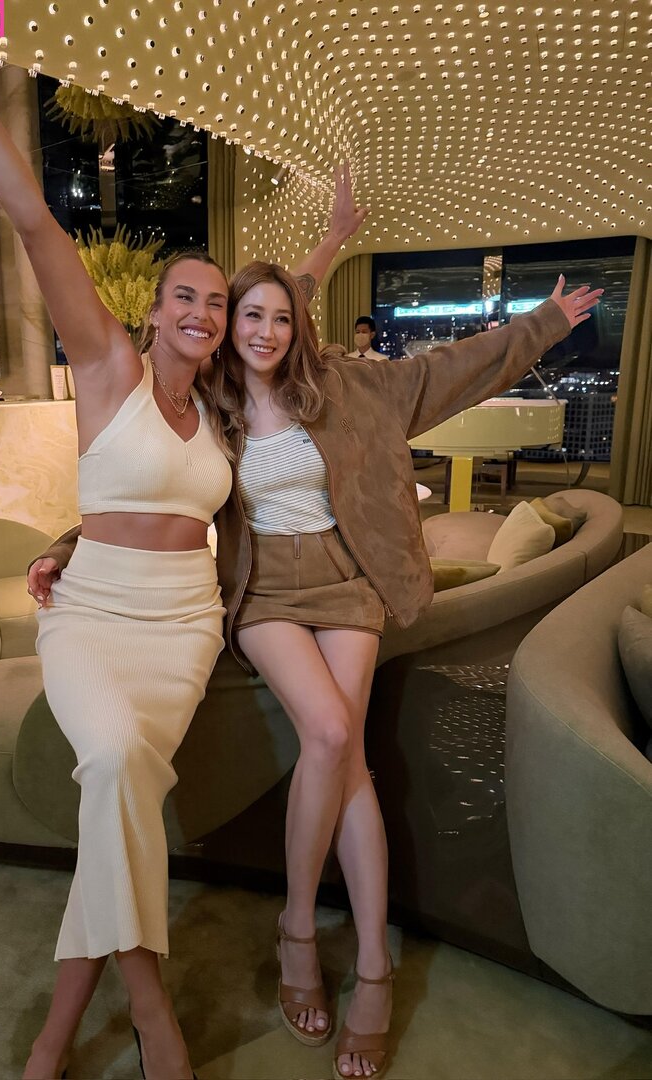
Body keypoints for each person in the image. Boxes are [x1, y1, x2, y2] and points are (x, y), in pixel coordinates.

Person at [0, 38, 369, 1080]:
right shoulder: (106, 366)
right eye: (188, 298)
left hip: (182, 627)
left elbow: (286, 303)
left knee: (113, 802)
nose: (206, 314)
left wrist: (333, 240)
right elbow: (33, 220)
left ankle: (54, 1035)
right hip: (92, 619)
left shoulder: (223, 405)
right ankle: (151, 1007)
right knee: (117, 765)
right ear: (155, 310)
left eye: (218, 304)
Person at [37, 265, 600, 1079]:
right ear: (227, 327)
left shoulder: (349, 388)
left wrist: (543, 322)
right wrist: (65, 547)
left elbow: (454, 369)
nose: (264, 331)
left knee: (349, 759)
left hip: (348, 582)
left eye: (280, 318)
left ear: (297, 326)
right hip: (264, 588)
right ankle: (298, 928)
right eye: (249, 315)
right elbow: (142, 487)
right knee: (331, 731)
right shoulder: (211, 402)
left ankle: (372, 965)